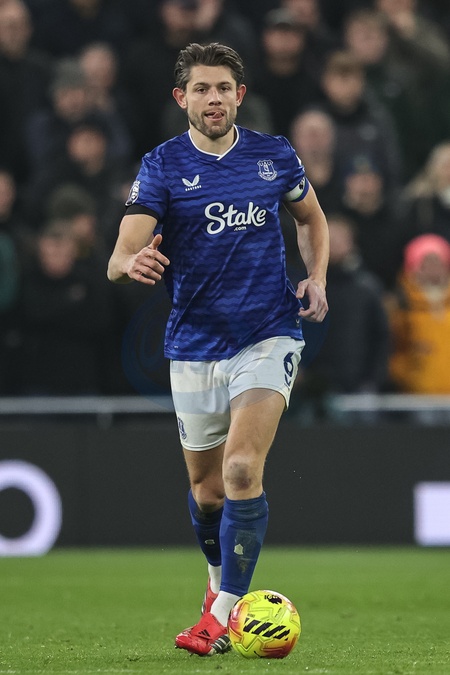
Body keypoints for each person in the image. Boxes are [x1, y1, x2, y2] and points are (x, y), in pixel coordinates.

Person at [107, 42, 329, 656]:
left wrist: (316, 277)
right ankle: (216, 588)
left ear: (240, 96)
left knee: (240, 469)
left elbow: (311, 219)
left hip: (268, 333)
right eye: (202, 89)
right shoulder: (162, 166)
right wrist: (130, 261)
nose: (214, 99)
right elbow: (120, 253)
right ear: (182, 98)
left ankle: (224, 616)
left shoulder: (273, 155)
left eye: (223, 88)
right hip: (194, 344)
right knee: (207, 493)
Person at [388, 233, 450, 396]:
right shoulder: (401, 305)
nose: (433, 269)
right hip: (416, 392)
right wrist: (406, 378)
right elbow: (394, 348)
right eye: (426, 263)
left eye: (438, 262)